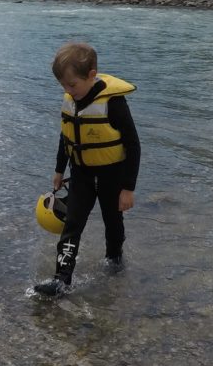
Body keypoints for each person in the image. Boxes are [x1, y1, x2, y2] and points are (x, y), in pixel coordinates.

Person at [34, 42, 140, 296]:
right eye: (63, 85)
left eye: (72, 85)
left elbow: (134, 146)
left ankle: (114, 261)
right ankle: (61, 279)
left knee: (112, 222)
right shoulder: (72, 101)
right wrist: (59, 170)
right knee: (72, 224)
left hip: (112, 174)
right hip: (80, 173)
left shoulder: (113, 103)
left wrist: (128, 189)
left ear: (92, 75)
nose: (68, 90)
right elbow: (66, 136)